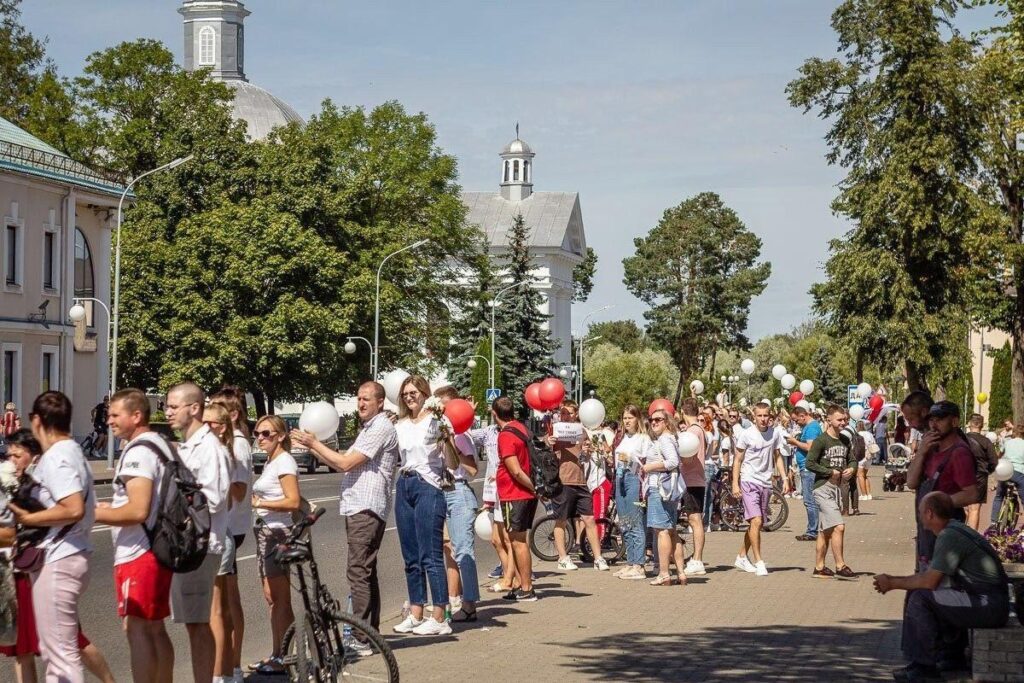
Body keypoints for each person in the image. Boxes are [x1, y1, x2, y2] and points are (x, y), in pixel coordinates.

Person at [0, 429, 114, 683]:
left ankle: (109, 681)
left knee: (71, 639)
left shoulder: (40, 486)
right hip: (13, 571)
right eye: (9, 456)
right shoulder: (8, 483)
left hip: (39, 567)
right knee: (20, 648)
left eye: (17, 455)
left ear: (33, 455)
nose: (11, 461)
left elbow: (22, 529)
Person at [292, 381, 398, 641]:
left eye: (366, 399)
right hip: (360, 505)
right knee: (365, 571)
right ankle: (369, 634)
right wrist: (311, 446)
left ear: (380, 402)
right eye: (358, 398)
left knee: (358, 571)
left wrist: (314, 444)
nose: (360, 404)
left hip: (366, 506)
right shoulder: (369, 428)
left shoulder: (380, 427)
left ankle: (362, 636)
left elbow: (346, 463)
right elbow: (339, 461)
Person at [873, 492, 1009, 682]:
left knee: (921, 598)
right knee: (924, 593)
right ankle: (949, 655)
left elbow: (930, 581)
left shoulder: (949, 536)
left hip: (989, 605)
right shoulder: (953, 530)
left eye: (921, 512)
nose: (919, 516)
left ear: (929, 513)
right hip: (987, 600)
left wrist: (892, 583)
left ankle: (924, 667)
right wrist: (897, 581)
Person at [7, 392, 94, 682]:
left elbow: (73, 508)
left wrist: (27, 518)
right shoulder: (73, 451)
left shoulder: (58, 456)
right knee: (56, 650)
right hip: (70, 553)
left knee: (60, 654)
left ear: (36, 421)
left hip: (59, 557)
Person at [95, 389, 175, 683]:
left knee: (137, 628)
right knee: (154, 628)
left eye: (115, 415)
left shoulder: (139, 452)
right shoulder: (159, 444)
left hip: (140, 552)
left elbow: (138, 509)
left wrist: (92, 514)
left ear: (137, 415)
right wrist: (113, 507)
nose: (109, 421)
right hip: (157, 548)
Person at [165, 382, 231, 683]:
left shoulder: (210, 448)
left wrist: (174, 499)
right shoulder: (190, 445)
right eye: (166, 406)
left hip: (201, 545)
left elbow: (215, 499)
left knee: (198, 623)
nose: (168, 412)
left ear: (194, 408)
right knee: (193, 623)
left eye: (173, 406)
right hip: (189, 546)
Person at [390, 375, 451, 635]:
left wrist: (446, 436)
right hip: (405, 483)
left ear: (425, 394)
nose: (409, 398)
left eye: (413, 393)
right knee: (410, 554)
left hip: (428, 484)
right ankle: (416, 611)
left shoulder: (437, 421)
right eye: (405, 394)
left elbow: (452, 461)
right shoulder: (400, 424)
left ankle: (440, 616)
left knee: (431, 554)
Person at [904, 397, 978, 571]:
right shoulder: (931, 449)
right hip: (927, 533)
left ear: (954, 421)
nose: (934, 424)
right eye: (932, 420)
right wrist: (921, 452)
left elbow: (971, 494)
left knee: (935, 582)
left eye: (940, 420)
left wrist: (940, 503)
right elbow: (911, 482)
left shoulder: (959, 453)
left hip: (946, 532)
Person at [251, 414, 300, 673]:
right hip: (266, 532)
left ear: (280, 436)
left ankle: (284, 657)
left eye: (266, 433)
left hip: (278, 533)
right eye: (257, 433)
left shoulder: (284, 461)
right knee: (272, 598)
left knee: (280, 599)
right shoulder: (272, 461)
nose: (260, 438)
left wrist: (260, 503)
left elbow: (293, 501)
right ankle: (277, 653)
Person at [209, 388, 251, 683]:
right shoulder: (227, 443)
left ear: (233, 414)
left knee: (226, 604)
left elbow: (239, 491)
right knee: (224, 602)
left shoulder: (238, 445)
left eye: (218, 409)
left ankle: (232, 666)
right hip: (226, 526)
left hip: (231, 528)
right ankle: (230, 667)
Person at [432, 386, 480, 623]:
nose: (439, 410)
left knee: (463, 550)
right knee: (447, 549)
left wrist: (451, 443)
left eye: (442, 406)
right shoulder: (439, 432)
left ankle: (470, 604)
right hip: (442, 491)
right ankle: (451, 599)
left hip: (458, 492)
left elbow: (472, 469)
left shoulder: (461, 436)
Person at [201, 402, 240, 683]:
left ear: (223, 428)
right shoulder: (220, 452)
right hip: (219, 536)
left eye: (210, 424)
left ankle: (218, 675)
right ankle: (227, 672)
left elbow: (218, 502)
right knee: (221, 612)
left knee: (215, 613)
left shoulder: (219, 454)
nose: (205, 428)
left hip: (216, 538)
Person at [546, 400, 608, 572]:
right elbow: (544, 452)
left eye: (570, 413)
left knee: (589, 518)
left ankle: (598, 557)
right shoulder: (555, 431)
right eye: (563, 413)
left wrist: (586, 452)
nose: (566, 416)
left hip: (580, 481)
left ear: (576, 415)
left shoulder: (581, 432)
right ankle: (562, 558)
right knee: (561, 520)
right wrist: (549, 443)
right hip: (563, 481)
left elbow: (584, 458)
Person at [732, 403, 790, 576]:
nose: (763, 419)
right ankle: (759, 561)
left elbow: (777, 456)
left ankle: (742, 556)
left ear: (770, 416)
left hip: (765, 482)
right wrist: (735, 483)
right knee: (756, 521)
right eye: (760, 416)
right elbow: (737, 460)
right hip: (749, 480)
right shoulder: (746, 434)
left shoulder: (775, 433)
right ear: (754, 417)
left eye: (766, 415)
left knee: (757, 523)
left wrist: (785, 478)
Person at [492, 396, 538, 602]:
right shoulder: (522, 428)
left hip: (515, 493)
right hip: (523, 494)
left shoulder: (506, 435)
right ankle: (521, 585)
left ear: (494, 414)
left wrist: (534, 487)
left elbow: (516, 470)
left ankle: (527, 588)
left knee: (518, 542)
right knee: (517, 540)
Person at [805, 405, 857, 579]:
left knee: (825, 531)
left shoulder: (845, 440)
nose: (843, 422)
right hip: (822, 488)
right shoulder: (821, 440)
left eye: (845, 419)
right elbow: (809, 463)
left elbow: (852, 459)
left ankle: (819, 567)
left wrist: (851, 468)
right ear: (829, 420)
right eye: (839, 419)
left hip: (837, 489)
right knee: (839, 526)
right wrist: (829, 471)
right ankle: (840, 565)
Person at [644, 408, 686, 586]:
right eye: (651, 420)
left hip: (660, 488)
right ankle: (681, 573)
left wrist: (650, 467)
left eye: (658, 419)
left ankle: (663, 573)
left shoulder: (665, 439)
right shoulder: (670, 438)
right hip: (668, 489)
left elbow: (673, 462)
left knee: (661, 531)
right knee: (671, 530)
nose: (653, 422)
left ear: (667, 422)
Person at [612, 405, 650, 580]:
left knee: (635, 521)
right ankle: (630, 562)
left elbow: (645, 467)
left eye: (630, 418)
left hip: (634, 479)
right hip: (620, 478)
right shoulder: (621, 437)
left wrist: (630, 461)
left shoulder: (643, 439)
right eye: (625, 418)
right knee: (624, 522)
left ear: (637, 419)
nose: (627, 421)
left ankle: (639, 565)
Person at [678, 398, 708, 576]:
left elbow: (688, 457)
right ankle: (696, 559)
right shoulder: (700, 429)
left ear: (683, 412)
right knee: (694, 519)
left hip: (692, 479)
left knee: (695, 519)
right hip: (695, 479)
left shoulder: (692, 431)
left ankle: (697, 559)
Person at [785, 406, 822, 542]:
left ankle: (812, 531)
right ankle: (812, 529)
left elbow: (810, 447)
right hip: (806, 467)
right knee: (810, 501)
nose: (796, 423)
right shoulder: (809, 427)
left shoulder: (812, 427)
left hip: (809, 468)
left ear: (802, 415)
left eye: (796, 420)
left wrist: (795, 442)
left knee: (810, 501)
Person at [989, 424, 1024, 529]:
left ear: (1014, 433)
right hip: (1018, 472)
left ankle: (993, 523)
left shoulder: (1007, 442)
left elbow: (1000, 454)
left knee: (999, 496)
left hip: (1005, 471)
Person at [856, 420, 876, 502]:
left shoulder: (857, 434)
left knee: (860, 475)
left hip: (861, 456)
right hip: (869, 456)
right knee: (865, 475)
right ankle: (869, 494)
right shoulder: (869, 434)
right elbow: (874, 443)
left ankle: (863, 494)